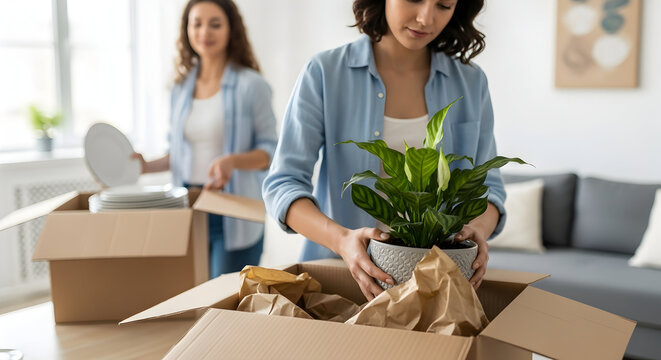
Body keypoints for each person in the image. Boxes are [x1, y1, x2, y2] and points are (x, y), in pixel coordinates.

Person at [263, 0, 506, 301]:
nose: (425, 18)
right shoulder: (325, 73)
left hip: (440, 288)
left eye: (444, 5)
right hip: (342, 285)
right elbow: (282, 185)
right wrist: (342, 240)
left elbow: (490, 188)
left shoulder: (471, 82)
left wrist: (478, 229)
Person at [134, 0, 277, 278]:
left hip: (234, 213)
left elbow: (271, 151)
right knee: (194, 301)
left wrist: (232, 162)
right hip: (191, 208)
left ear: (230, 29)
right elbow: (180, 153)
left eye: (215, 24)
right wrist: (145, 166)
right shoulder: (180, 88)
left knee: (226, 305)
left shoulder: (252, 85)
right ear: (186, 30)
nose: (204, 32)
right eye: (196, 24)